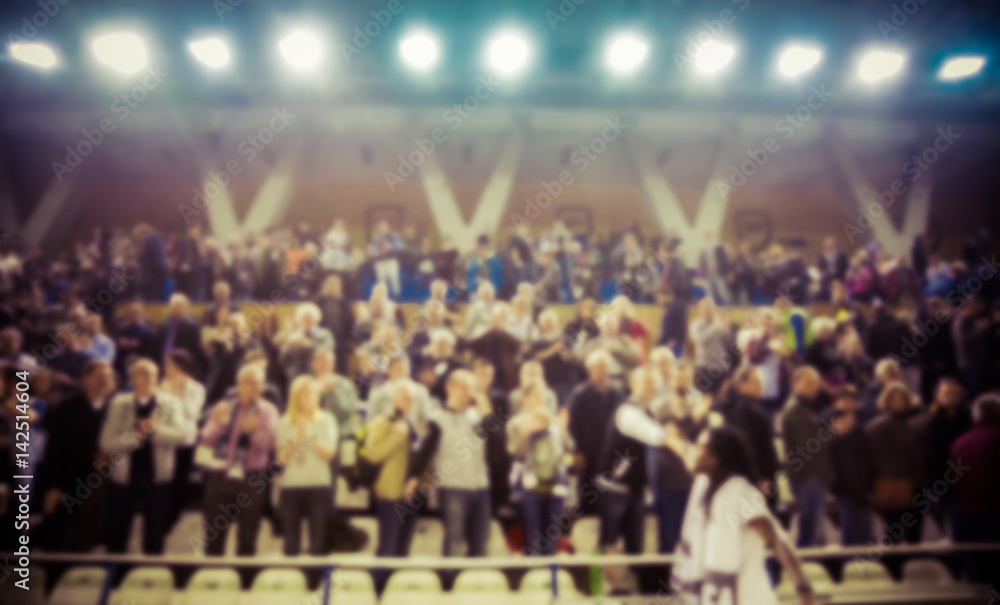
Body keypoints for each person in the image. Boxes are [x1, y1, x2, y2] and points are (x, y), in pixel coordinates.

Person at [671, 427, 816, 605]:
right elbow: (689, 460)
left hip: (748, 598)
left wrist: (802, 587)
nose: (694, 451)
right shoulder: (703, 485)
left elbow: (776, 539)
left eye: (701, 447)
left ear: (717, 457)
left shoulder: (740, 492)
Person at [101, 359, 187, 554]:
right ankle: (114, 571)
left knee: (155, 536)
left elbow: (182, 436)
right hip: (124, 478)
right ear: (132, 378)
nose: (149, 378)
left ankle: (152, 571)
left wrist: (154, 430)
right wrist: (137, 436)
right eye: (143, 374)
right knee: (117, 534)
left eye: (153, 374)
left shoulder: (170, 403)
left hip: (158, 478)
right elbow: (107, 442)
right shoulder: (119, 403)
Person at [197, 365, 280, 556]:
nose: (256, 387)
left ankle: (244, 574)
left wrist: (253, 433)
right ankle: (212, 574)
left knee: (247, 540)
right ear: (239, 383)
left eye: (259, 383)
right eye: (251, 382)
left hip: (252, 478)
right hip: (220, 476)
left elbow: (269, 444)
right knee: (213, 537)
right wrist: (219, 426)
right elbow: (205, 440)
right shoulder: (223, 407)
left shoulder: (268, 410)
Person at [36, 360, 116, 552]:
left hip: (98, 483)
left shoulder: (115, 408)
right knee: (55, 539)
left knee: (89, 543)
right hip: (66, 479)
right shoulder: (66, 407)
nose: (104, 381)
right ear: (85, 379)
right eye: (99, 376)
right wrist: (53, 486)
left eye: (108, 377)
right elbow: (53, 449)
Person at [427, 369, 493, 557]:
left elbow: (498, 447)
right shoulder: (437, 418)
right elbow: (425, 453)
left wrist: (487, 415)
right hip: (452, 487)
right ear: (449, 388)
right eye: (464, 387)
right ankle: (450, 576)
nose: (468, 392)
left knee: (480, 544)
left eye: (471, 388)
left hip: (480, 488)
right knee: (454, 541)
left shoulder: (477, 417)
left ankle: (477, 577)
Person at [276, 376, 337, 556]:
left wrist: (310, 436)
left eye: (312, 393)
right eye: (304, 393)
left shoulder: (326, 420)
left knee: (318, 545)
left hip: (318, 486)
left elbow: (329, 454)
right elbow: (281, 460)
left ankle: (315, 575)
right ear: (295, 396)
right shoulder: (285, 421)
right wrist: (296, 436)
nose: (309, 397)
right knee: (290, 545)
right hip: (291, 487)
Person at [506, 382, 570, 556]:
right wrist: (527, 435)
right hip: (530, 488)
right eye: (535, 395)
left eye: (541, 395)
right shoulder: (516, 423)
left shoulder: (553, 422)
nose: (539, 399)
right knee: (534, 537)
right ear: (525, 398)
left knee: (552, 538)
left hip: (555, 487)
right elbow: (516, 453)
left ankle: (551, 571)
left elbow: (567, 449)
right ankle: (534, 571)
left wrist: (562, 431)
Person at [949, 393, 1000, 584]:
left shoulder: (961, 441)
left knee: (976, 575)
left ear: (976, 415)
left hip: (964, 513)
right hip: (993, 513)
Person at [866, 381, 924, 545]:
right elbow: (870, 459)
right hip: (889, 485)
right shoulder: (876, 427)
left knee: (914, 536)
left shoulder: (915, 426)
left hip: (914, 486)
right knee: (893, 535)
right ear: (887, 400)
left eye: (902, 398)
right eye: (894, 398)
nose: (898, 402)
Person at [567, 351, 623, 515]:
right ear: (589, 370)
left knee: (610, 493)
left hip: (611, 452)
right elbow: (573, 425)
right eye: (598, 367)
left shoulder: (617, 393)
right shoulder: (580, 394)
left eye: (605, 367)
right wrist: (578, 451)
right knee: (588, 494)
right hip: (587, 451)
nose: (602, 371)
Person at [781, 366, 833, 547]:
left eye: (816, 384)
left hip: (812, 474)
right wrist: (834, 433)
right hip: (808, 475)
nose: (814, 388)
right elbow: (809, 446)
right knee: (811, 530)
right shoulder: (796, 410)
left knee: (814, 528)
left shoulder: (805, 408)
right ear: (794, 384)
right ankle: (807, 562)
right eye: (809, 383)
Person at [159, 350, 207, 530]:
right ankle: (161, 514)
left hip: (185, 440)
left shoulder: (196, 388)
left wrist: (176, 392)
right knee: (164, 479)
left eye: (169, 364)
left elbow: (190, 413)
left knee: (180, 480)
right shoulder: (162, 385)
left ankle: (174, 515)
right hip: (165, 439)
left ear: (179, 367)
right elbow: (158, 413)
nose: (166, 368)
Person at [827, 385, 875, 545]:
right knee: (862, 534)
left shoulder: (862, 422)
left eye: (851, 400)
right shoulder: (830, 422)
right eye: (843, 400)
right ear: (835, 403)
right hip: (845, 485)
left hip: (861, 483)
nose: (848, 403)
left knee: (852, 531)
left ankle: (847, 558)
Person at [922, 377, 972, 531]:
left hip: (971, 481)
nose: (951, 397)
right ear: (937, 396)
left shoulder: (970, 420)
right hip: (945, 483)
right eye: (947, 393)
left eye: (955, 393)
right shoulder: (931, 423)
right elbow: (929, 458)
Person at [277, 302, 335, 385]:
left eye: (310, 319)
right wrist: (288, 347)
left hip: (317, 375)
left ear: (316, 320)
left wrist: (307, 344)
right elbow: (282, 359)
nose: (307, 322)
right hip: (295, 376)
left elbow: (327, 350)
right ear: (299, 321)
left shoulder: (324, 335)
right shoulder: (293, 336)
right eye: (304, 319)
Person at [314, 274, 355, 375]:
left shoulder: (344, 303)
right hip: (321, 341)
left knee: (342, 370)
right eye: (330, 284)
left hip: (341, 341)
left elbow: (351, 321)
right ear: (324, 286)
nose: (333, 287)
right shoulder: (317, 301)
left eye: (336, 285)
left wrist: (350, 339)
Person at [156, 293, 205, 376]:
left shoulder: (192, 326)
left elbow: (194, 349)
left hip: (180, 365)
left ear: (185, 308)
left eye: (179, 307)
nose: (176, 309)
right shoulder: (165, 323)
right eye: (174, 307)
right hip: (163, 363)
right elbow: (158, 343)